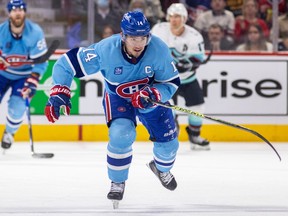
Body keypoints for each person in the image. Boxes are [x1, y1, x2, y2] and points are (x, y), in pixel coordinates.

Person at [44, 11, 180, 204]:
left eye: (143, 37)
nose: (138, 43)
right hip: (119, 98)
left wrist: (154, 93)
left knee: (169, 146)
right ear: (123, 36)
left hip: (149, 98)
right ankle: (117, 182)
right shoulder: (105, 50)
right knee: (121, 135)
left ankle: (161, 169)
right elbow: (65, 65)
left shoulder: (159, 49)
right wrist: (59, 90)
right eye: (133, 38)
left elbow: (172, 82)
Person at [151, 3, 210, 150]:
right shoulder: (158, 30)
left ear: (184, 18)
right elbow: (149, 51)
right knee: (167, 107)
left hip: (187, 78)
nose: (174, 19)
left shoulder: (194, 36)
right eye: (171, 16)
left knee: (197, 107)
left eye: (177, 16)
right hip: (165, 80)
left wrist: (187, 64)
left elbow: (199, 58)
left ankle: (194, 136)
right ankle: (171, 127)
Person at [0, 0, 48, 151]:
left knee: (18, 107)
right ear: (9, 13)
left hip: (23, 76)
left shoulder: (35, 33)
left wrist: (33, 80)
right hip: (2, 74)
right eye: (14, 9)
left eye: (20, 9)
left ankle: (9, 132)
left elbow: (41, 62)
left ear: (25, 12)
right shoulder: (1, 31)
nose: (18, 12)